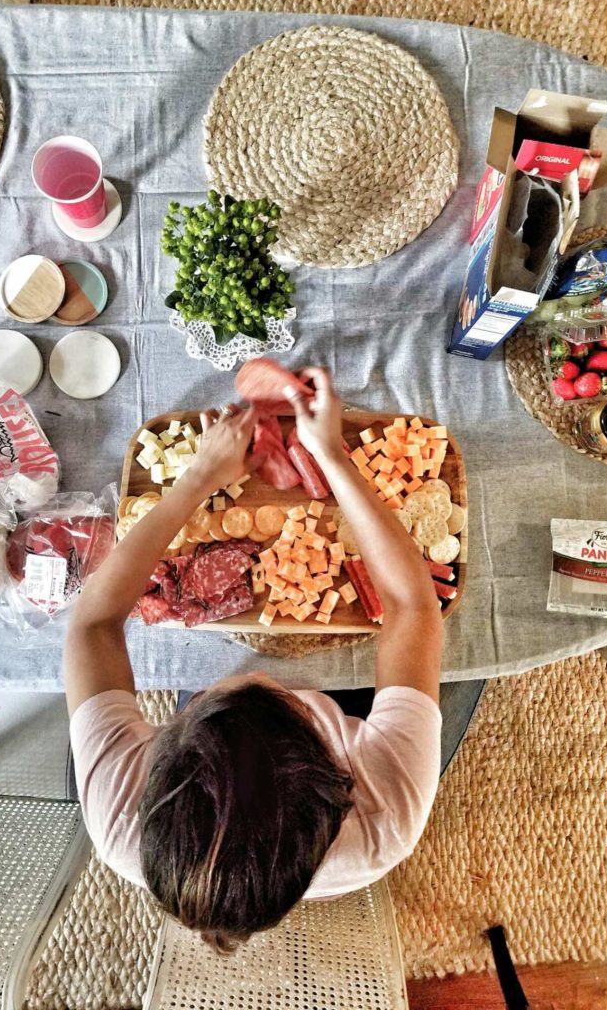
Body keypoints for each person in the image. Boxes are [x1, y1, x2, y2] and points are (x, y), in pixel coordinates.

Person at [64, 368, 444, 953]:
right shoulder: (387, 821)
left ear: (157, 767)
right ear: (339, 781)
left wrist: (195, 480)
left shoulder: (120, 824)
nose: (253, 672)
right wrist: (333, 456)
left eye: (229, 691)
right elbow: (414, 606)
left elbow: (91, 623)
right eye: (277, 695)